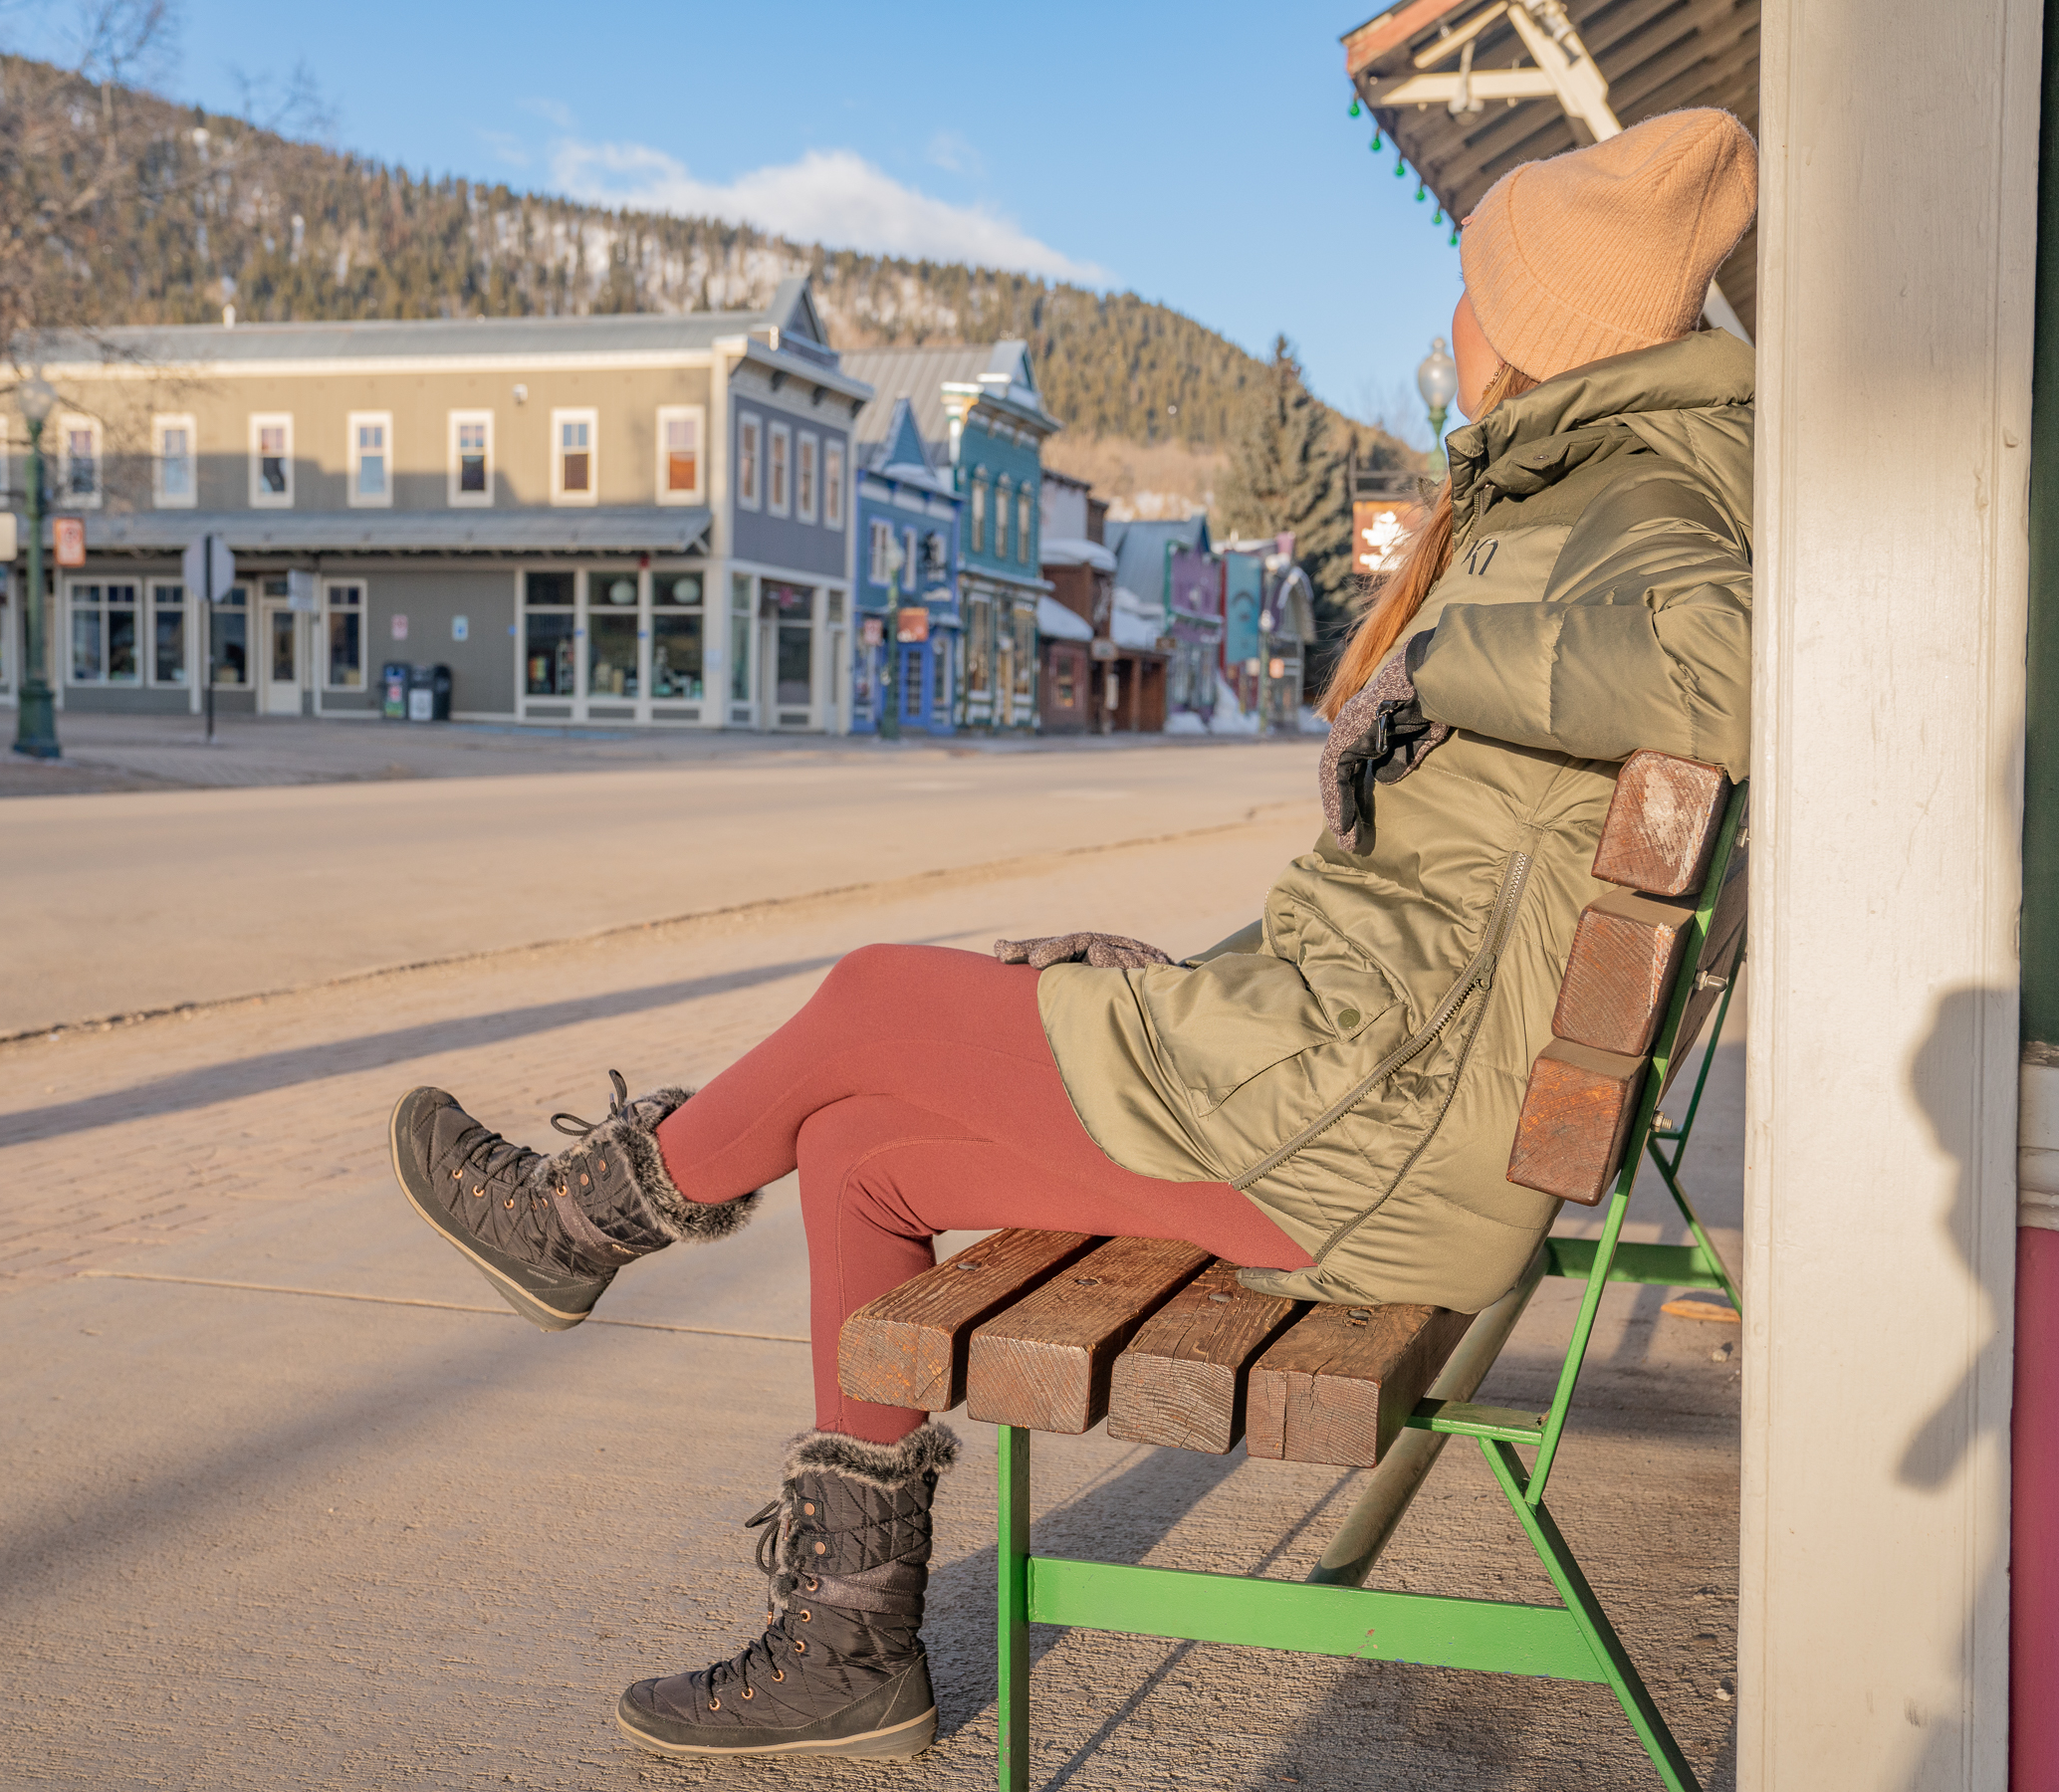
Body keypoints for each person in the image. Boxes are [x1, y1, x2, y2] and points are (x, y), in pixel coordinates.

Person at [383, 107, 1757, 1764]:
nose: (1445, 334)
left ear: (1543, 333)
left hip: (1363, 1148)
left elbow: (1750, 675)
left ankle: (583, 1218)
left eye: (1472, 297)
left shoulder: (1644, 512)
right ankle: (844, 1645)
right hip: (1365, 1095)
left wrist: (1440, 670)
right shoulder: (1594, 500)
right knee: (868, 1144)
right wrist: (1213, 979)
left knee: (880, 996)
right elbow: (1443, 906)